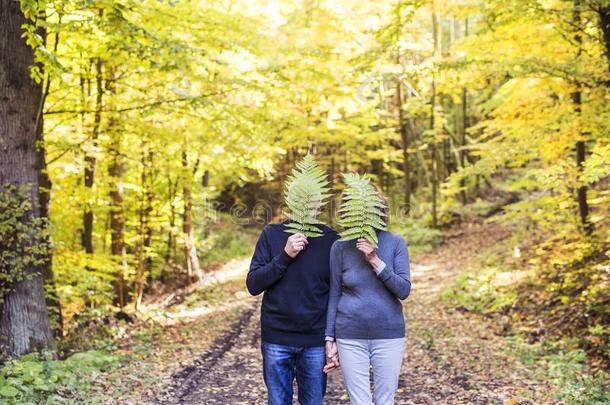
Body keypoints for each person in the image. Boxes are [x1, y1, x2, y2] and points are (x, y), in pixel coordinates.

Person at [324, 194, 411, 405]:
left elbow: (404, 290)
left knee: (384, 400)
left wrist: (374, 260)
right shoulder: (340, 247)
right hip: (350, 335)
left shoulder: (395, 242)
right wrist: (329, 338)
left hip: (388, 335)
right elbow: (334, 293)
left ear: (379, 211)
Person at [247, 219, 340, 405]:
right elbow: (253, 284)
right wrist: (285, 255)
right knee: (278, 401)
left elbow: (338, 294)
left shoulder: (331, 239)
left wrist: (333, 336)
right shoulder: (271, 233)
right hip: (277, 338)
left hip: (314, 339)